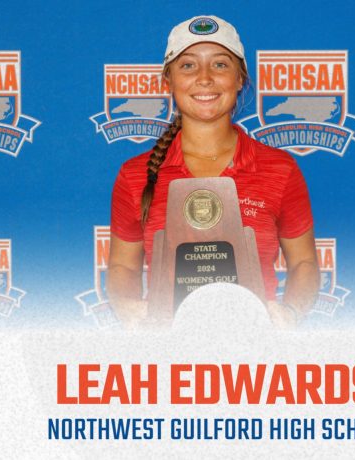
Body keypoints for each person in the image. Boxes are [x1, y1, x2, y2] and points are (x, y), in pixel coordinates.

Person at [107, 15, 319, 329]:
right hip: (167, 347)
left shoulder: (280, 169)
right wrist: (128, 308)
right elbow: (123, 267)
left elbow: (304, 263)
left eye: (220, 65)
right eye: (188, 65)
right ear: (169, 81)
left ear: (240, 79)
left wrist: (290, 312)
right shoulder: (135, 175)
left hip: (255, 345)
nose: (204, 78)